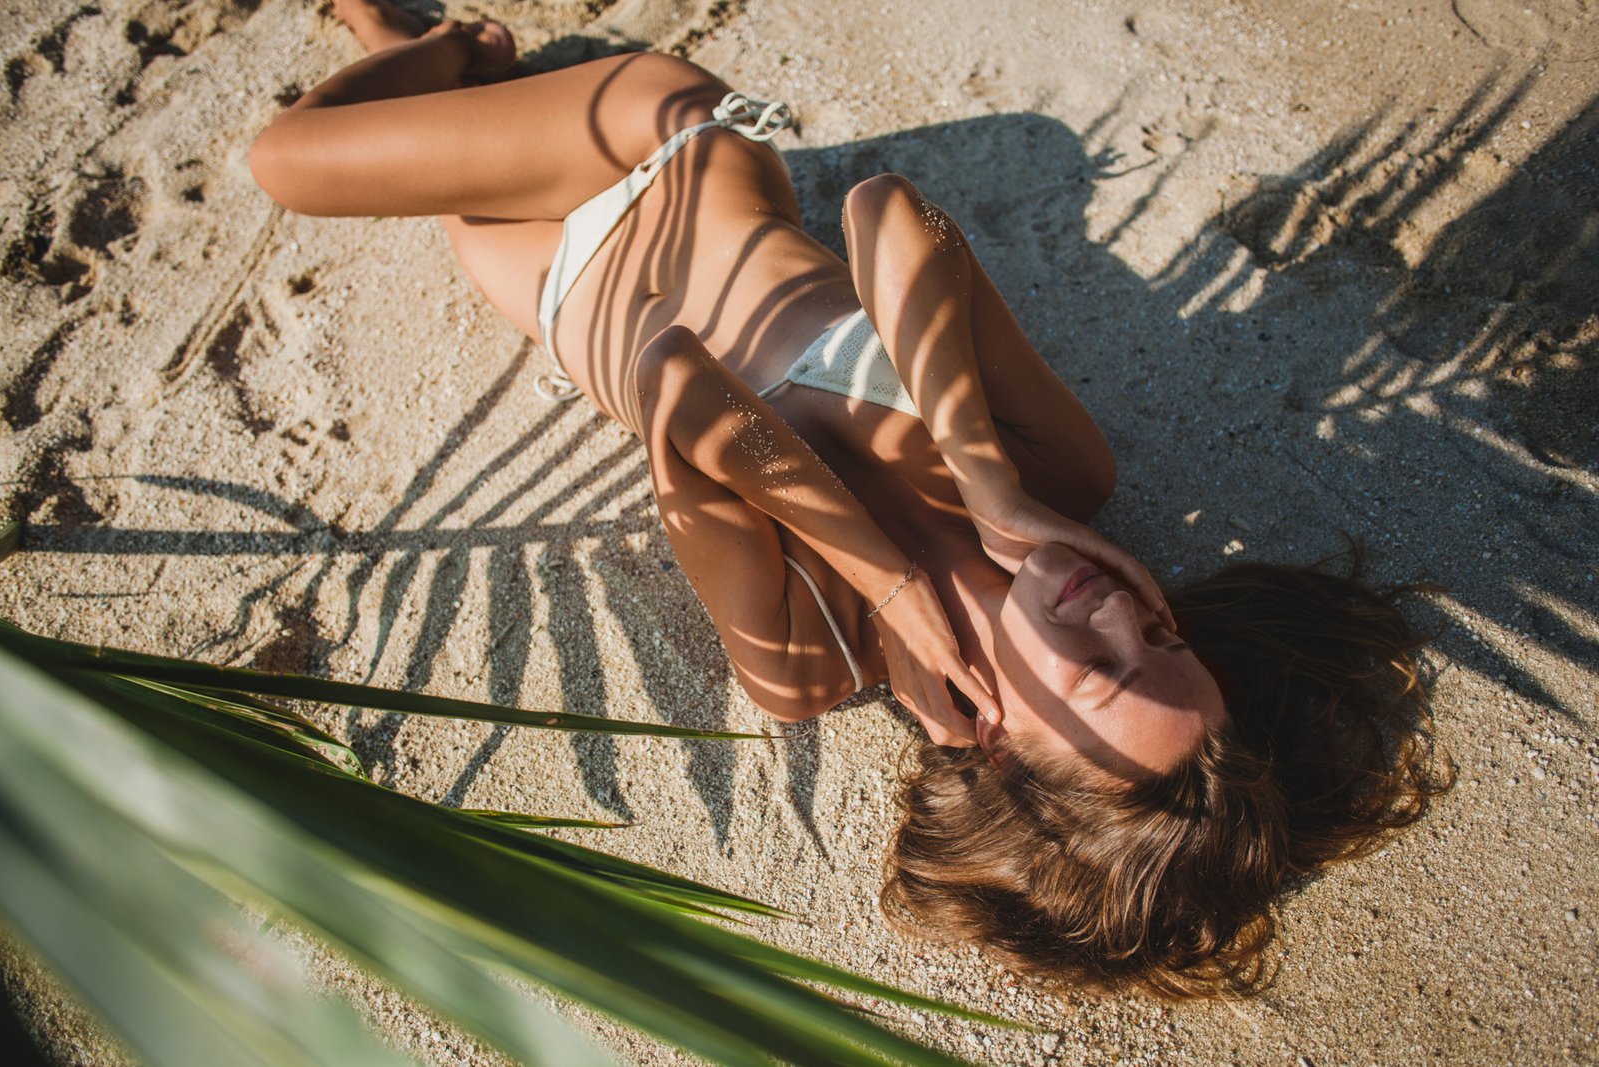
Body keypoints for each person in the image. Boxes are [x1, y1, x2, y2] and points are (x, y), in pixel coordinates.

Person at [249, 0, 1449, 998]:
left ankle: (437, 52)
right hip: (657, 151)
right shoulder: (1060, 477)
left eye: (1103, 667)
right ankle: (436, 39)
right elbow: (888, 210)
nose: (1123, 608)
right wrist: (981, 478)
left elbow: (676, 379)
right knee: (287, 164)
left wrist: (880, 577)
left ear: (989, 740)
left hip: (555, 288)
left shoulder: (805, 660)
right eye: (1166, 635)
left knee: (432, 185)